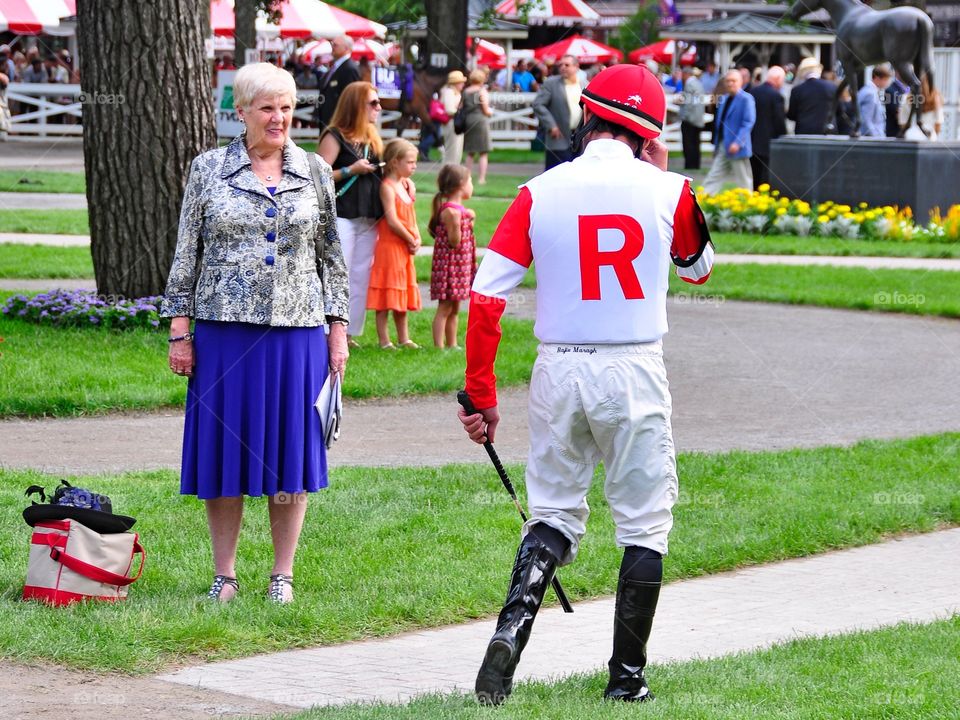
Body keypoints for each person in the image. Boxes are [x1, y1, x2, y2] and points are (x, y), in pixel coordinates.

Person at [457, 62, 714, 706]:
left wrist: (482, 394)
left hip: (559, 367)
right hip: (633, 368)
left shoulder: (540, 191)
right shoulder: (672, 190)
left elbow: (486, 298)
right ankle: (626, 679)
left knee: (550, 512)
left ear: (587, 118)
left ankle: (511, 636)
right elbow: (699, 270)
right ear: (648, 133)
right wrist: (661, 172)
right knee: (645, 522)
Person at [161, 63, 349, 605]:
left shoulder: (314, 170)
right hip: (223, 332)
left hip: (298, 333)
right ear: (240, 112)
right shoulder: (209, 169)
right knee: (225, 452)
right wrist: (180, 329)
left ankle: (281, 575)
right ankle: (225, 574)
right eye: (267, 108)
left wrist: (337, 331)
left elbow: (331, 259)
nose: (278, 118)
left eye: (287, 107)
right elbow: (186, 251)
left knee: (291, 452)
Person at [318, 81, 384, 348]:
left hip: (368, 215)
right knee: (338, 272)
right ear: (357, 105)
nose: (379, 108)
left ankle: (348, 332)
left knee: (360, 274)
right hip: (342, 213)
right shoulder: (335, 135)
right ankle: (327, 329)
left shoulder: (372, 137)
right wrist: (350, 171)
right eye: (373, 103)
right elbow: (319, 175)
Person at [367, 138, 422, 349]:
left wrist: (416, 237)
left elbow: (412, 217)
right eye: (410, 162)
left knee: (402, 293)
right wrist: (410, 238)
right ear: (394, 162)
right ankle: (384, 340)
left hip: (404, 248)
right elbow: (392, 220)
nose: (414, 166)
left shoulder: (407, 186)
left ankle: (404, 337)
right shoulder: (387, 187)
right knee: (386, 295)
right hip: (390, 247)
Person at [429, 164, 476, 349]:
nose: (472, 185)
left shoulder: (460, 211)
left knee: (455, 307)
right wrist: (458, 223)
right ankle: (439, 346)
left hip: (460, 266)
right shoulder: (450, 212)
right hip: (449, 267)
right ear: (461, 184)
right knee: (445, 307)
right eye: (471, 181)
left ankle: (453, 343)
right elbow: (454, 241)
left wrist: (469, 218)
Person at [704, 69, 756, 194]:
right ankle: (702, 199)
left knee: (743, 179)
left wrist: (737, 142)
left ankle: (748, 205)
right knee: (714, 174)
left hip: (737, 146)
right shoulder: (724, 99)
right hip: (723, 144)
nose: (730, 83)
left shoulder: (746, 99)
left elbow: (748, 122)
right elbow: (720, 123)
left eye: (734, 81)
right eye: (728, 81)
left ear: (741, 82)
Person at [532, 55, 585, 170]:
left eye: (567, 65)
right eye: (560, 65)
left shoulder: (584, 85)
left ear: (576, 67)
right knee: (556, 173)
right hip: (558, 136)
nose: (563, 67)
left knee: (577, 174)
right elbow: (538, 104)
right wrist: (551, 125)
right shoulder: (551, 83)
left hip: (580, 138)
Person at [748, 66, 787, 189]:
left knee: (754, 173)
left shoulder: (753, 92)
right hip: (768, 141)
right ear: (778, 78)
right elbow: (779, 121)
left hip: (752, 140)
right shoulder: (776, 96)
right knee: (766, 175)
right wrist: (783, 136)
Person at [316, 35, 361, 133]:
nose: (332, 47)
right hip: (329, 121)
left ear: (346, 48)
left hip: (339, 124)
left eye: (335, 45)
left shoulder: (350, 69)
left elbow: (351, 99)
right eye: (332, 44)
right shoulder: (337, 66)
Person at [787, 57, 835, 135]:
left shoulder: (797, 90)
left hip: (803, 133)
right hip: (827, 132)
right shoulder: (831, 87)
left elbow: (791, 115)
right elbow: (838, 111)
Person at [462, 70, 493, 184]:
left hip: (469, 120)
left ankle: (467, 178)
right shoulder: (481, 91)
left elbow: (461, 106)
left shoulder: (465, 91)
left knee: (470, 152)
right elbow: (485, 109)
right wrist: (490, 112)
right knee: (483, 152)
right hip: (480, 120)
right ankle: (481, 178)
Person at [899, 74, 943, 141]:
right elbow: (938, 123)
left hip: (911, 136)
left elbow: (903, 123)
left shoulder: (906, 98)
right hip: (930, 136)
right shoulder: (936, 98)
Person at [678, 66, 705, 170]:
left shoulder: (689, 84)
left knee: (688, 143)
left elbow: (689, 103)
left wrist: (684, 116)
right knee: (696, 143)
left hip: (690, 119)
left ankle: (689, 164)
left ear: (685, 74)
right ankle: (696, 164)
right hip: (698, 118)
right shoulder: (698, 83)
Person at [856, 65, 891, 137]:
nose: (887, 83)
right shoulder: (870, 94)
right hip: (872, 139)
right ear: (877, 78)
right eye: (886, 80)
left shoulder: (870, 91)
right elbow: (866, 120)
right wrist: (877, 138)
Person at [441, 70, 466, 165]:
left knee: (457, 151)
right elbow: (449, 110)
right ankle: (448, 172)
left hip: (456, 123)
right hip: (451, 123)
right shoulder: (449, 92)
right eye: (461, 82)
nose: (463, 84)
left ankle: (453, 171)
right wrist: (461, 111)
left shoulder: (455, 93)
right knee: (452, 151)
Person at [884, 72, 908, 138]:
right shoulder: (890, 90)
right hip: (895, 134)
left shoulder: (908, 89)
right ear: (898, 73)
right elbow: (897, 113)